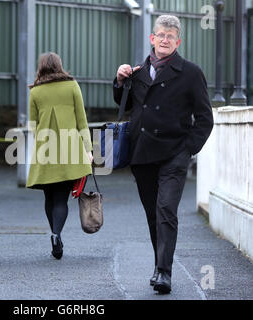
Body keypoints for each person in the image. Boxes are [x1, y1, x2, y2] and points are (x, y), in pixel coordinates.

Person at [113, 15, 214, 294]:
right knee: (153, 214)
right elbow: (125, 103)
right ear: (152, 38)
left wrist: (187, 151)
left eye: (171, 36)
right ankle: (159, 265)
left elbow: (205, 118)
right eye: (161, 35)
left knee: (166, 210)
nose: (165, 40)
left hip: (174, 155)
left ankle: (164, 273)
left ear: (178, 41)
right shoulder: (138, 72)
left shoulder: (191, 73)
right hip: (142, 154)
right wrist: (120, 81)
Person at [26, 52, 93, 259]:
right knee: (61, 199)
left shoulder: (35, 92)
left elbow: (33, 126)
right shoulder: (72, 86)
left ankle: (55, 234)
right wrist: (88, 149)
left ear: (41, 67)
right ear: (59, 66)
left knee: (49, 197)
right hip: (69, 147)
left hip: (45, 148)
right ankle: (56, 234)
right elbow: (82, 121)